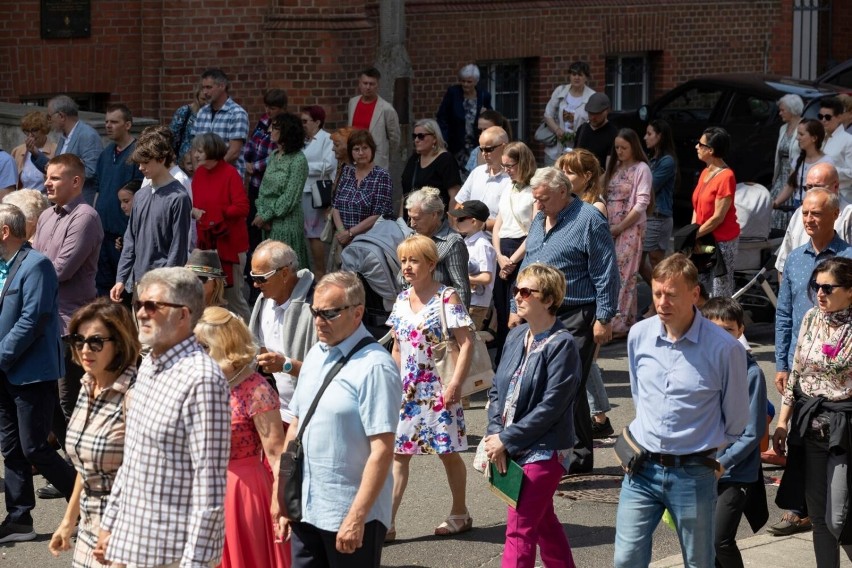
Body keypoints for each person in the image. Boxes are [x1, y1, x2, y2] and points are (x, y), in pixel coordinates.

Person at [613, 253, 749, 568]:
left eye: (671, 294)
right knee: (625, 560)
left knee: (698, 562)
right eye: (657, 293)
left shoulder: (725, 349)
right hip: (641, 469)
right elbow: (641, 396)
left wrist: (709, 455)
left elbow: (736, 420)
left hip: (693, 473)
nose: (662, 302)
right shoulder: (639, 335)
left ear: (695, 294)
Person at [95, 267, 230, 567]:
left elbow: (209, 484)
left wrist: (193, 563)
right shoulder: (148, 366)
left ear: (183, 315)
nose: (141, 313)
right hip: (135, 540)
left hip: (174, 552)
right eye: (139, 304)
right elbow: (133, 459)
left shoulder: (202, 379)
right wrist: (110, 524)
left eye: (153, 306)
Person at [276, 271, 401, 567]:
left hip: (349, 514)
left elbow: (382, 450)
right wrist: (281, 498)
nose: (319, 321)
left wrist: (357, 516)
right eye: (315, 312)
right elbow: (295, 426)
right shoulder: (316, 354)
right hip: (305, 508)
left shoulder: (375, 367)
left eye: (329, 313)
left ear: (357, 313)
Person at [515, 166, 620, 473]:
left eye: (544, 198)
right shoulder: (539, 218)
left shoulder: (588, 219)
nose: (539, 204)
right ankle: (573, 453)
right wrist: (517, 303)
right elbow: (530, 260)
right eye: (536, 199)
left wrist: (604, 317)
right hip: (539, 313)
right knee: (549, 382)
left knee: (565, 383)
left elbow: (605, 271)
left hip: (576, 312)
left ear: (563, 191)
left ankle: (573, 456)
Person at [484, 263, 580, 568]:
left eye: (526, 291)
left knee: (519, 529)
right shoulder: (516, 335)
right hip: (510, 445)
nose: (517, 296)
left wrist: (506, 439)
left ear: (549, 299)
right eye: (516, 290)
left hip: (545, 448)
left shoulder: (562, 344)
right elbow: (497, 390)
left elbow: (552, 407)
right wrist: (494, 434)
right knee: (543, 522)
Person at [388, 235, 474, 540]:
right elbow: (398, 347)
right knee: (399, 454)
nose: (407, 267)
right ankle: (388, 523)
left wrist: (455, 385)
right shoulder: (400, 299)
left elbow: (466, 343)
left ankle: (460, 513)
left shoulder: (446, 297)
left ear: (431, 263)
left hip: (440, 388)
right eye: (403, 261)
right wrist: (392, 385)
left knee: (447, 452)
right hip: (407, 391)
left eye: (413, 260)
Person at [0, 203, 76, 543]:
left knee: (35, 448)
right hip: (5, 372)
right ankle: (19, 519)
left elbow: (33, 319)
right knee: (11, 447)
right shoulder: (3, 265)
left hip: (31, 372)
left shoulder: (38, 265)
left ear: (5, 231)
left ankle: (87, 500)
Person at [193, 307, 289, 568]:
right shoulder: (204, 383)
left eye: (203, 346)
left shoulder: (256, 389)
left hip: (244, 491)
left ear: (224, 345)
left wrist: (279, 503)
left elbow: (277, 454)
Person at [47, 299, 140, 567]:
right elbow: (85, 467)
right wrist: (67, 521)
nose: (85, 349)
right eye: (79, 340)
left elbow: (143, 477)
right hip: (89, 524)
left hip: (125, 528)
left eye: (96, 342)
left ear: (120, 343)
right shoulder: (88, 387)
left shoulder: (134, 396)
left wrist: (118, 534)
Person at [773, 257, 852, 567]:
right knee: (818, 518)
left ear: (849, 291)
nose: (820, 293)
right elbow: (796, 372)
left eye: (828, 287)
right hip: (810, 429)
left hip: (843, 431)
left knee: (838, 519)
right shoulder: (810, 318)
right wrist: (782, 422)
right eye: (816, 286)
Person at [33, 154, 104, 484]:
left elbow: (60, 269)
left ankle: (83, 471)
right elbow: (33, 261)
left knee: (67, 400)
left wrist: (31, 272)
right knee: (46, 398)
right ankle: (73, 469)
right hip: (44, 319)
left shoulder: (86, 217)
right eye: (47, 177)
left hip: (70, 323)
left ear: (76, 182)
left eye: (55, 178)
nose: (47, 182)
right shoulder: (47, 216)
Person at [701, 297, 768, 567]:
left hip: (733, 471)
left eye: (728, 329)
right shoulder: (696, 367)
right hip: (697, 467)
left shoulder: (751, 373)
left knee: (720, 540)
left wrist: (722, 462)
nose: (721, 335)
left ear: (740, 330)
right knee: (701, 542)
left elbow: (752, 432)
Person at [557, 149, 614, 437]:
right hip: (567, 300)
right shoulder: (570, 205)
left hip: (585, 300)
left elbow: (602, 265)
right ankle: (599, 417)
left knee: (583, 362)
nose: (564, 177)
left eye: (570, 172)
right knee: (582, 363)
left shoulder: (596, 209)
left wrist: (603, 313)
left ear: (587, 176)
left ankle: (598, 417)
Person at [110, 131, 192, 303]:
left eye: (145, 163)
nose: (140, 168)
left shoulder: (178, 197)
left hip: (163, 287)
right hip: (139, 284)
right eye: (139, 163)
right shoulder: (140, 195)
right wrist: (121, 278)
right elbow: (130, 240)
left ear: (161, 159)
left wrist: (166, 286)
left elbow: (178, 249)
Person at [248, 239, 318, 431]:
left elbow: (332, 371)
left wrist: (286, 365)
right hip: (277, 413)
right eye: (253, 276)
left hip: (313, 416)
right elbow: (260, 351)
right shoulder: (263, 302)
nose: (255, 284)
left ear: (285, 273)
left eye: (261, 278)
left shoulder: (317, 308)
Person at [191, 132, 251, 321]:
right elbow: (197, 204)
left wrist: (217, 215)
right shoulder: (199, 173)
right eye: (195, 151)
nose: (196, 155)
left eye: (200, 151)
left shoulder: (230, 173)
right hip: (206, 245)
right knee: (208, 299)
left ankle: (253, 341)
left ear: (211, 150)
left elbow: (243, 207)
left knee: (234, 300)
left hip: (230, 244)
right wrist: (194, 211)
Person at [603, 128, 652, 337]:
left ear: (634, 147)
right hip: (609, 224)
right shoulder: (613, 166)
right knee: (612, 272)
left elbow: (642, 203)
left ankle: (618, 322)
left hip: (629, 226)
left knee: (625, 273)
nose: (620, 151)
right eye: (617, 148)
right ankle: (628, 319)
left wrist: (621, 227)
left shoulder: (641, 169)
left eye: (624, 147)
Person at [94, 104, 144, 297]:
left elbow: (139, 193)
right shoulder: (106, 154)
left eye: (114, 122)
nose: (108, 125)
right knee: (103, 288)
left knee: (123, 288)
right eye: (106, 121)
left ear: (128, 124)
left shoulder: (138, 154)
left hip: (123, 234)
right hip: (103, 232)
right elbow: (98, 189)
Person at [492, 141, 536, 355]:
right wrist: (499, 255)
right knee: (501, 310)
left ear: (523, 163)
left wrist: (512, 261)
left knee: (519, 309)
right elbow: (498, 224)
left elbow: (534, 230)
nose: (506, 170)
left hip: (521, 250)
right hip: (503, 250)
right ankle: (501, 357)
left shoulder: (533, 190)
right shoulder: (508, 187)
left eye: (510, 165)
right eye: (504, 165)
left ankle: (519, 355)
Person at [254, 113, 310, 270]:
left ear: (287, 132)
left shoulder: (298, 160)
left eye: (276, 127)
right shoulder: (273, 155)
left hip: (287, 222)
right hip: (268, 223)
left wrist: (265, 215)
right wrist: (262, 212)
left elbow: (290, 197)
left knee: (286, 268)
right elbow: (264, 188)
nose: (270, 130)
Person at [776, 162, 852, 273]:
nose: (811, 192)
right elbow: (783, 265)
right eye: (808, 187)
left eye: (817, 187)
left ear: (835, 187)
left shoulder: (848, 215)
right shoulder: (799, 213)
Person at [692, 126, 739, 297]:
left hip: (722, 242)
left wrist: (695, 235)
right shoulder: (705, 172)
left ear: (710, 150)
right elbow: (697, 208)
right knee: (701, 288)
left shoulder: (726, 176)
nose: (696, 147)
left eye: (700, 144)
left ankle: (721, 324)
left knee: (719, 290)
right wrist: (692, 234)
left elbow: (718, 217)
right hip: (703, 236)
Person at [405, 186, 471, 308]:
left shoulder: (452, 242)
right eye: (410, 217)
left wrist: (458, 322)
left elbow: (461, 287)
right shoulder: (412, 236)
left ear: (434, 215)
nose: (412, 223)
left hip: (439, 312)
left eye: (417, 218)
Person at [331, 129, 394, 251]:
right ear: (351, 152)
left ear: (372, 150)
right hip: (343, 240)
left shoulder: (381, 176)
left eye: (365, 148)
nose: (361, 153)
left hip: (371, 241)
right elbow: (336, 205)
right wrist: (342, 232)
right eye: (356, 149)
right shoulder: (347, 171)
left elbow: (378, 214)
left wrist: (350, 233)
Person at [245, 89, 288, 256]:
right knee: (252, 224)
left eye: (273, 108)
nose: (268, 111)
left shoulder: (284, 126)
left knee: (265, 224)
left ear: (283, 108)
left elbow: (277, 154)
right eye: (267, 106)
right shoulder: (264, 121)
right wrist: (246, 162)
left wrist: (254, 167)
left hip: (269, 183)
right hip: (255, 183)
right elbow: (252, 141)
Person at [38, 95, 103, 205]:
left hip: (79, 204)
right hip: (63, 203)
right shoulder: (63, 137)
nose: (49, 121)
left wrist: (60, 175)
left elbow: (92, 171)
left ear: (61, 116)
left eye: (50, 117)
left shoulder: (87, 135)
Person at [190, 68, 250, 176]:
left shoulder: (237, 113)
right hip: (205, 177)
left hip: (228, 177)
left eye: (209, 87)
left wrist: (213, 170)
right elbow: (195, 146)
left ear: (222, 86)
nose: (205, 92)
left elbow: (234, 152)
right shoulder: (202, 112)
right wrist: (198, 171)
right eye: (203, 88)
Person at [300, 104, 337, 278]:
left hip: (316, 191)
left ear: (317, 122)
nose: (303, 124)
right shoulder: (303, 140)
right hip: (302, 190)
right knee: (308, 233)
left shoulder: (326, 139)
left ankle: (321, 272)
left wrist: (303, 167)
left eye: (306, 121)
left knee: (315, 233)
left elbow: (329, 164)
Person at [640, 119, 677, 287]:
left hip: (658, 217)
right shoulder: (652, 160)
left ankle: (659, 301)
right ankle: (659, 297)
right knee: (640, 264)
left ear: (660, 136)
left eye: (649, 134)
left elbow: (649, 186)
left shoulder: (667, 161)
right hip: (649, 217)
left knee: (656, 263)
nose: (645, 137)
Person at [448, 200, 496, 329]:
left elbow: (487, 277)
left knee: (470, 340)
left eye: (460, 219)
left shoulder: (482, 245)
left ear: (473, 221)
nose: (456, 222)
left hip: (476, 304)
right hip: (467, 300)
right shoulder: (468, 241)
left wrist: (462, 278)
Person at [436, 64, 492, 174]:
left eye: (469, 82)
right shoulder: (453, 93)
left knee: (475, 174)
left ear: (476, 81)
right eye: (463, 81)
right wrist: (444, 139)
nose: (465, 84)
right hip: (456, 144)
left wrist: (485, 114)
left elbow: (491, 118)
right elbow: (442, 117)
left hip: (475, 144)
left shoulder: (484, 96)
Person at [455, 126, 512, 229]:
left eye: (489, 149)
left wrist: (481, 226)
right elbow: (460, 203)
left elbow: (510, 219)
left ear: (504, 147)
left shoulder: (511, 179)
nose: (484, 154)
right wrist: (461, 217)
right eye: (481, 149)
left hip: (495, 240)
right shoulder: (477, 172)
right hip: (469, 237)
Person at [542, 60, 596, 166]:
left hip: (578, 149)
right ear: (569, 76)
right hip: (556, 149)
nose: (576, 77)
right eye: (573, 74)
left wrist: (579, 134)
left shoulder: (592, 96)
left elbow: (593, 122)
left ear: (586, 77)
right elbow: (548, 114)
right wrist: (557, 130)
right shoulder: (560, 91)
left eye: (580, 75)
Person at [772, 119, 833, 210]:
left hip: (817, 208)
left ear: (814, 138)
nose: (797, 138)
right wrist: (775, 203)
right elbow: (790, 185)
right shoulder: (798, 159)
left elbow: (829, 192)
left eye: (801, 134)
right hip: (798, 205)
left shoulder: (827, 162)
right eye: (797, 134)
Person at [401, 118, 461, 210]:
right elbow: (405, 195)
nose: (416, 140)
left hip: (435, 220)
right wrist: (400, 220)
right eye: (414, 136)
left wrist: (451, 220)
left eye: (421, 136)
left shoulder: (445, 160)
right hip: (410, 219)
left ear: (434, 138)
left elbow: (455, 196)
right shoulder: (414, 159)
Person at [347, 67, 400, 170]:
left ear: (378, 86)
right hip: (354, 160)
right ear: (359, 84)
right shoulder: (353, 103)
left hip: (376, 161)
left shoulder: (386, 109)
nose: (368, 87)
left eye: (372, 84)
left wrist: (384, 155)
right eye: (365, 83)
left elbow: (395, 139)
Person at [770, 94, 804, 231]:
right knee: (773, 212)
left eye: (783, 110)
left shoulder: (803, 128)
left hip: (794, 174)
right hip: (781, 176)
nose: (780, 113)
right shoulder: (783, 128)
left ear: (793, 110)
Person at [10, 110, 56, 191]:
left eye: (34, 130)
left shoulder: (56, 149)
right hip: (23, 200)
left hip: (46, 200)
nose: (30, 135)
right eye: (27, 131)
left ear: (44, 129)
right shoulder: (18, 151)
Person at [574, 92, 617, 171]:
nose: (593, 118)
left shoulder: (613, 133)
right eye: (590, 114)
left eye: (597, 114)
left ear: (606, 111)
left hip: (600, 179)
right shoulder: (582, 129)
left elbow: (610, 169)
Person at [819, 97, 852, 200]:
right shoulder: (818, 138)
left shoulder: (848, 140)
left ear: (839, 117)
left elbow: (851, 172)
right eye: (820, 116)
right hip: (816, 193)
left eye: (828, 117)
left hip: (839, 196)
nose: (823, 120)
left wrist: (828, 171)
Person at [465, 109, 513, 176]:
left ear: (499, 128)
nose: (482, 133)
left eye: (486, 129)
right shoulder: (475, 152)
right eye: (479, 130)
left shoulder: (513, 152)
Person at [169, 83, 205, 162]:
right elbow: (172, 137)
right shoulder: (185, 111)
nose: (206, 103)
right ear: (197, 97)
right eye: (203, 99)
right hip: (184, 161)